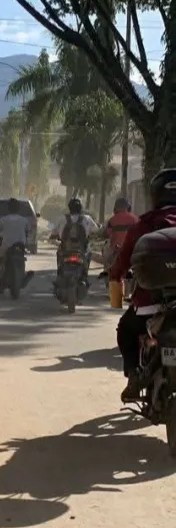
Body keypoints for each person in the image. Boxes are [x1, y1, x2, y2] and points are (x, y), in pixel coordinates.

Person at [110, 168, 176, 401]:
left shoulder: (143, 225)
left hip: (149, 305)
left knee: (125, 330)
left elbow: (122, 262)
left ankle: (133, 376)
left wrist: (115, 280)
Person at [54, 197, 98, 281]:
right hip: (82, 251)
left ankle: (59, 275)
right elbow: (96, 231)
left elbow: (54, 232)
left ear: (69, 208)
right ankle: (85, 274)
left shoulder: (62, 219)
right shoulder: (87, 218)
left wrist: (54, 236)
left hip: (66, 250)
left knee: (59, 254)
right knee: (89, 253)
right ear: (80, 208)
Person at [0, 197, 34, 286]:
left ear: (8, 208)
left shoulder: (3, 220)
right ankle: (22, 275)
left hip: (6, 246)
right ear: (18, 209)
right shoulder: (24, 220)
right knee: (22, 259)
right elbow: (28, 231)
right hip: (20, 246)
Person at [102, 197, 138, 271]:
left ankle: (106, 273)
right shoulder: (135, 219)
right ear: (128, 207)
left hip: (115, 250)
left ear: (115, 208)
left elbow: (107, 234)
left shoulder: (112, 220)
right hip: (131, 250)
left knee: (106, 254)